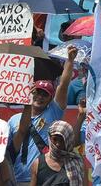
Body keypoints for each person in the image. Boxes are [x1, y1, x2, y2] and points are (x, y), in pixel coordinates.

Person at [9, 46, 76, 185]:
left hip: (44, 179)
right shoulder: (13, 120)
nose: (39, 97)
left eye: (45, 94)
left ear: (50, 99)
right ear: (30, 93)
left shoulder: (53, 113)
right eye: (37, 92)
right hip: (15, 178)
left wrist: (70, 60)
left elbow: (63, 85)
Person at [29, 121, 85, 185]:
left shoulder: (77, 162)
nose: (58, 144)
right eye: (55, 139)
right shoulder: (38, 164)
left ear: (68, 140)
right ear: (50, 138)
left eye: (62, 140)